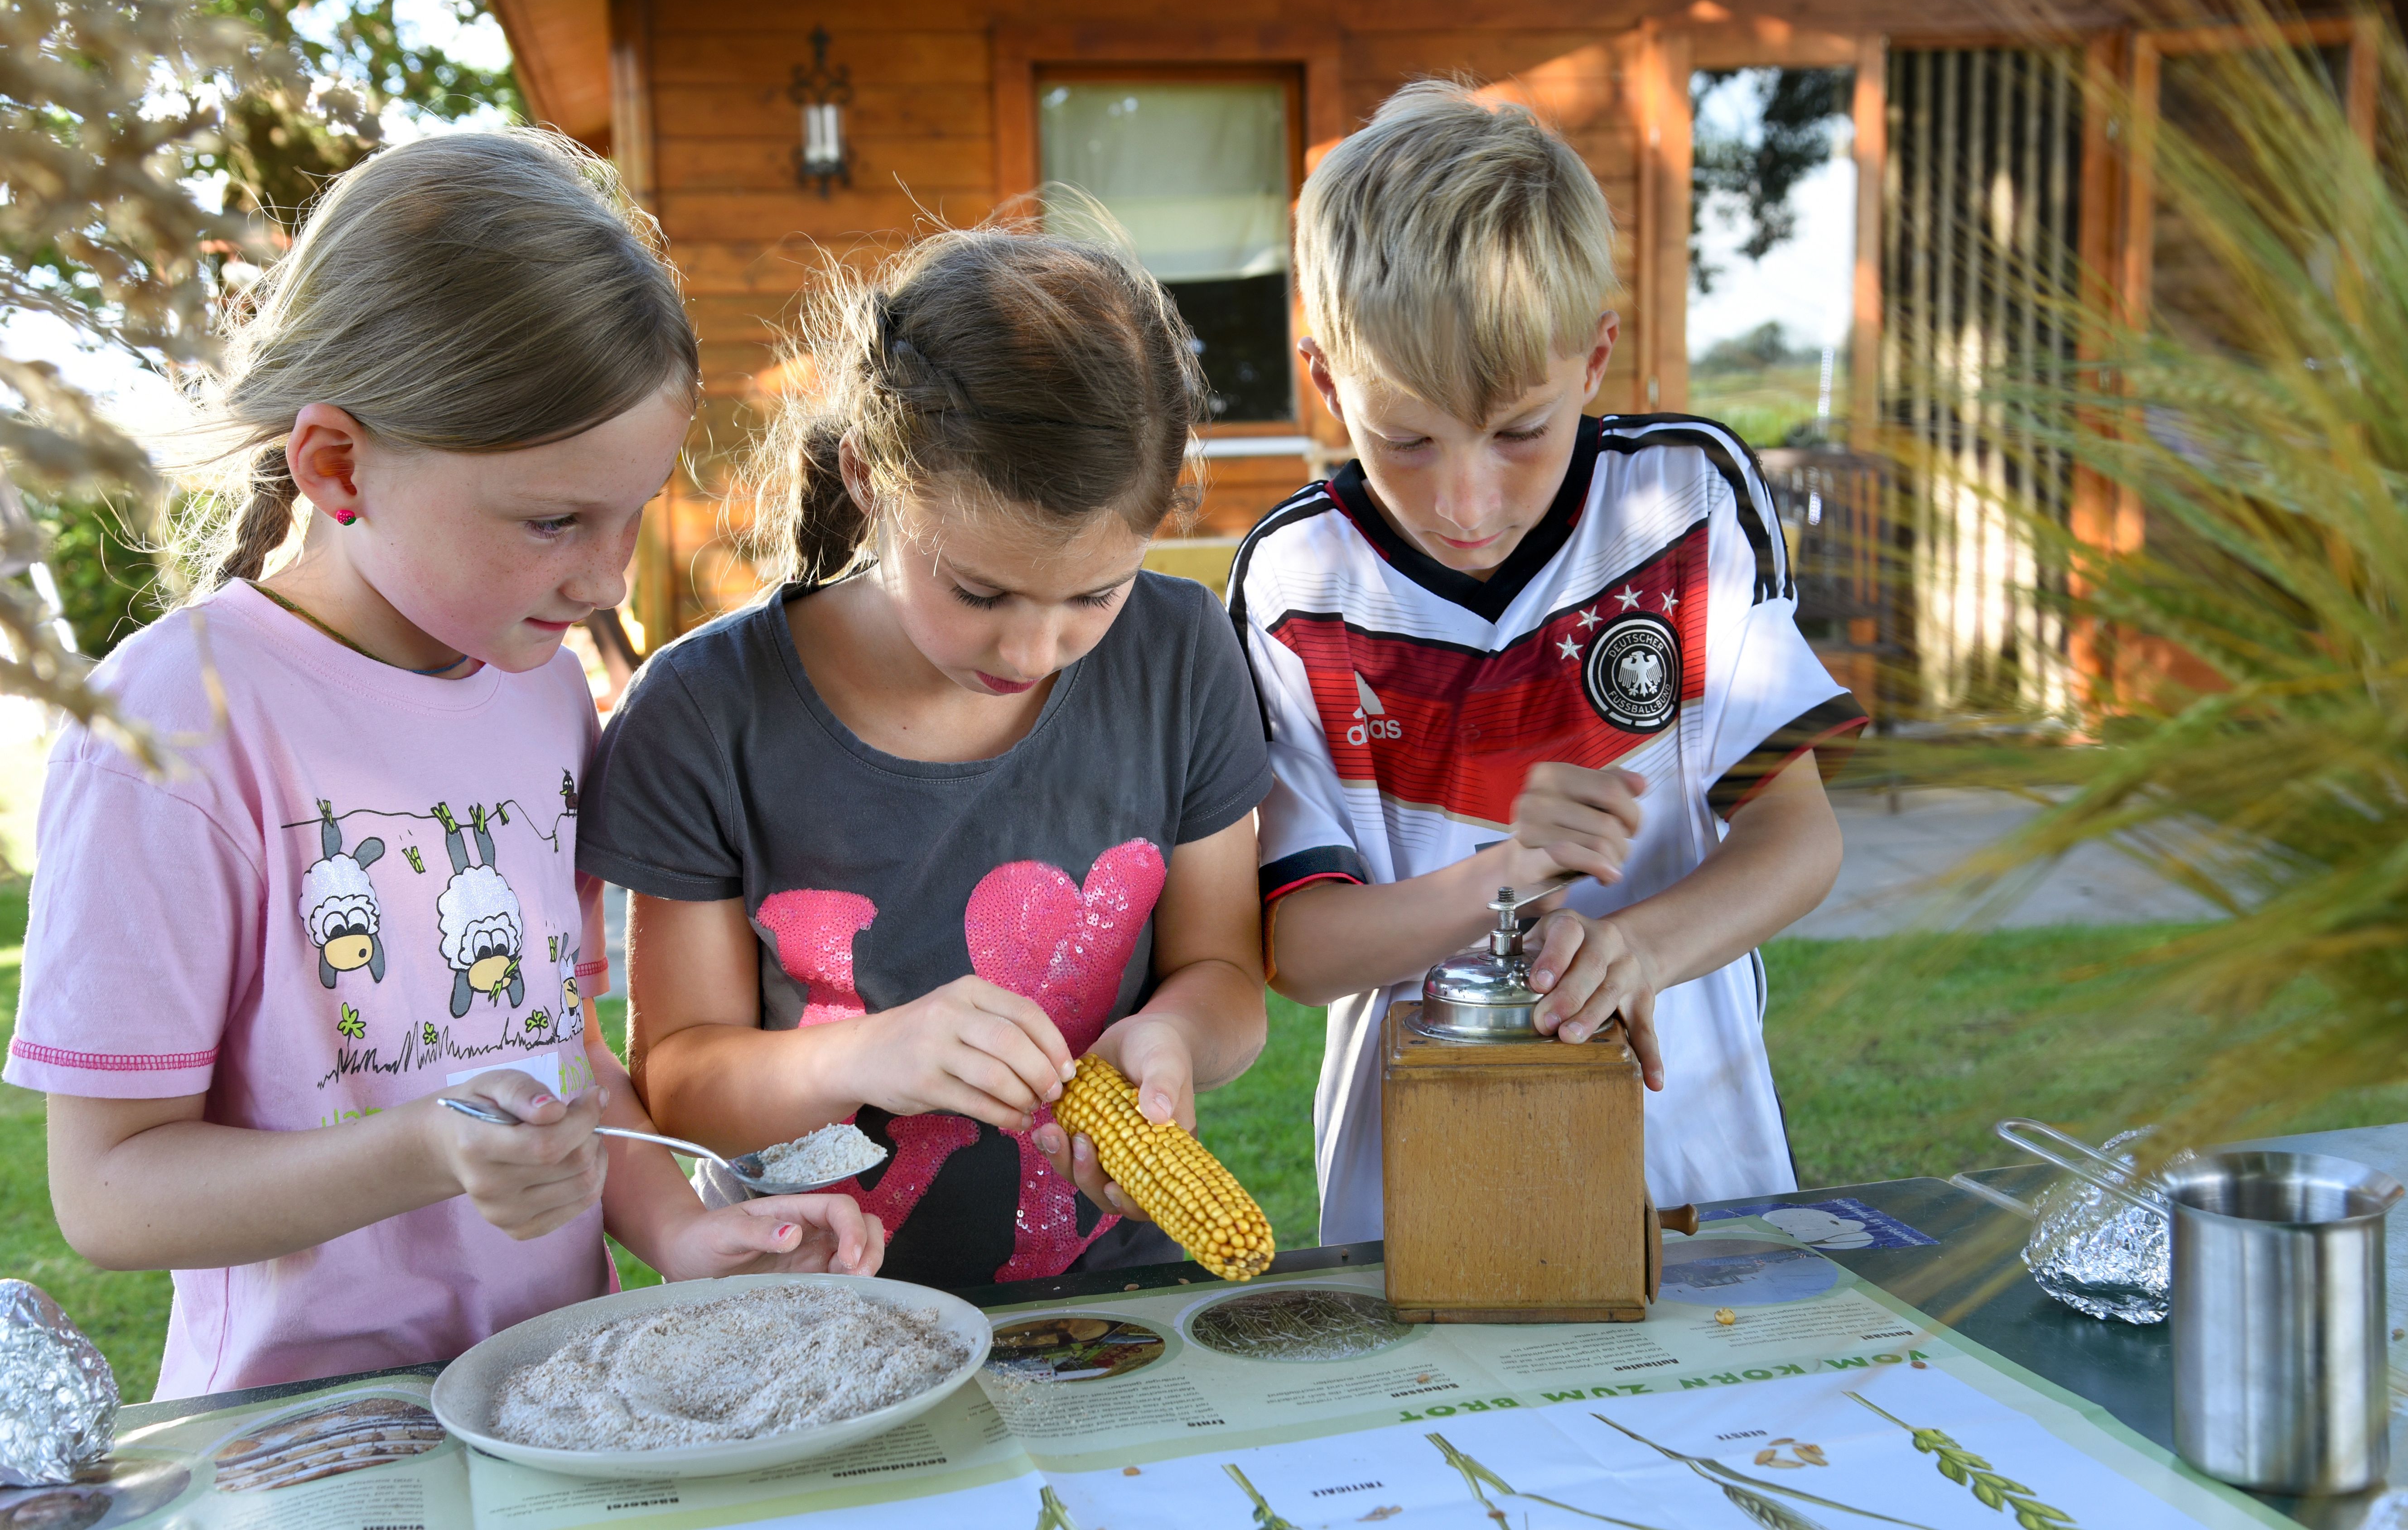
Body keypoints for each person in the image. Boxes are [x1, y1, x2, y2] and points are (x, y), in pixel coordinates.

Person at [6, 131, 881, 1401]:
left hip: (557, 1392)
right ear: (338, 463)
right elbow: (107, 1193)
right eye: (551, 520)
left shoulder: (540, 688)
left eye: (628, 513)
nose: (600, 576)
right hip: (302, 1433)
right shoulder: (169, 725)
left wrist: (682, 1229)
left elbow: (561, 1044)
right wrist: (421, 1149)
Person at [576, 226, 1274, 1291]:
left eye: (1094, 594)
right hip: (816, 1311)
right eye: (982, 594)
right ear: (869, 479)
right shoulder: (707, 713)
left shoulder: (1179, 656)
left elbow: (1226, 977)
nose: (1035, 651)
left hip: (1110, 1296)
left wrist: (1171, 1040)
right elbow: (677, 1080)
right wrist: (869, 1056)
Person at [1233, 81, 1864, 1245]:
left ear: (1593, 359)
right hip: (1416, 1176)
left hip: (1696, 1159)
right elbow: (1305, 952)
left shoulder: (1681, 498)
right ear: (1327, 383)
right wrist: (1505, 877)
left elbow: (1799, 838)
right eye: (1406, 440)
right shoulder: (1292, 582)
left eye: (1520, 431)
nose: (1466, 503)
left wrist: (1637, 946)